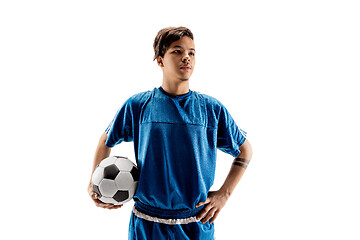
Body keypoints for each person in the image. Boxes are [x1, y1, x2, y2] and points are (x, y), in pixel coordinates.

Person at [87, 26, 253, 240]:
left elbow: (245, 149)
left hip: (195, 223)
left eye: (191, 52)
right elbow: (105, 140)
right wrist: (93, 182)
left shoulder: (211, 109)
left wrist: (225, 194)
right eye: (177, 51)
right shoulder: (138, 105)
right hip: (147, 223)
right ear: (160, 60)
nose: (187, 57)